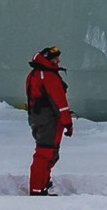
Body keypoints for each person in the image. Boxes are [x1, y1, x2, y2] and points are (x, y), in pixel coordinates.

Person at [25, 46, 73, 195]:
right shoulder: (48, 76)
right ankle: (37, 189)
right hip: (48, 121)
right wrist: (68, 122)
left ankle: (42, 183)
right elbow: (60, 102)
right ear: (47, 60)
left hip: (40, 118)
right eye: (55, 58)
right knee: (45, 153)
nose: (58, 60)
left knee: (47, 152)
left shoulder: (35, 74)